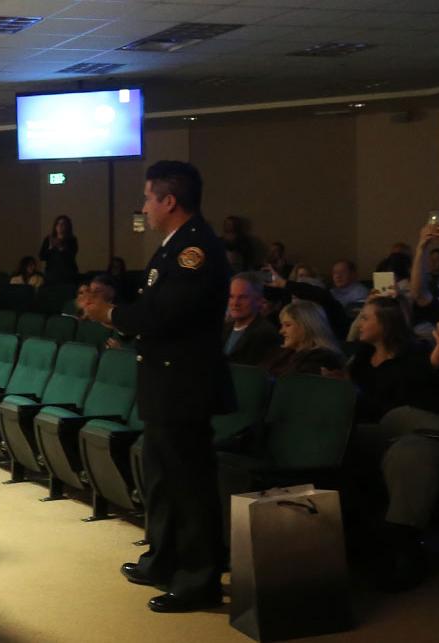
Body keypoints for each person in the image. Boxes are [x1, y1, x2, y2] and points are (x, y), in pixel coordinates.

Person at [81, 160, 234, 613]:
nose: (144, 206)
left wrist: (108, 314)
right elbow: (154, 308)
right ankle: (163, 559)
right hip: (165, 384)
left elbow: (166, 316)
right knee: (163, 480)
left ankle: (198, 579)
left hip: (183, 385)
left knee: (190, 485)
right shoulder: (173, 247)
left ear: (169, 201)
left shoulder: (195, 250)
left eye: (149, 197)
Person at [373, 305, 439, 590]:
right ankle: (393, 546)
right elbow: (413, 398)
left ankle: (402, 550)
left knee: (404, 434)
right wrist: (433, 365)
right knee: (404, 441)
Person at [346, 297, 430, 424]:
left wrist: (354, 391)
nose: (359, 324)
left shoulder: (411, 360)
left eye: (365, 318)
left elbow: (394, 411)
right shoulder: (364, 353)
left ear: (385, 323)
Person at [260, 300, 344, 376]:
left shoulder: (322, 358)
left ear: (306, 327)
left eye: (288, 325)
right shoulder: (284, 352)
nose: (281, 331)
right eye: (282, 325)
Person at [223, 273, 281, 366]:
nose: (235, 303)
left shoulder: (266, 334)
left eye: (243, 297)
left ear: (258, 301)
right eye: (231, 296)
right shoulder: (224, 328)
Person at [39, 215, 79, 285]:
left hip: (68, 275)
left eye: (63, 224)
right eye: (58, 223)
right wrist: (50, 248)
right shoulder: (48, 239)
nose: (60, 226)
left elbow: (71, 257)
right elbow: (42, 256)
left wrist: (61, 248)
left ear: (67, 226)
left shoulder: (72, 240)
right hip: (51, 275)